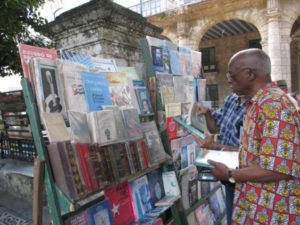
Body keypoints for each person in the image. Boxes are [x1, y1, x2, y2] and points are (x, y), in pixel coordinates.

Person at [207, 49, 299, 224]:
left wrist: (229, 174)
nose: (228, 80)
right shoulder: (258, 102)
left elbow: (278, 168)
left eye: (232, 75)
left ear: (250, 74)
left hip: (273, 211)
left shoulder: (273, 105)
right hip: (257, 204)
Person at [194, 93, 248, 225]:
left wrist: (216, 146)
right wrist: (207, 114)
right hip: (227, 174)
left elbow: (252, 151)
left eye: (233, 75)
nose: (229, 79)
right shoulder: (231, 99)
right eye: (228, 75)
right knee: (232, 215)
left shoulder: (255, 106)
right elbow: (215, 128)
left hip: (244, 173)